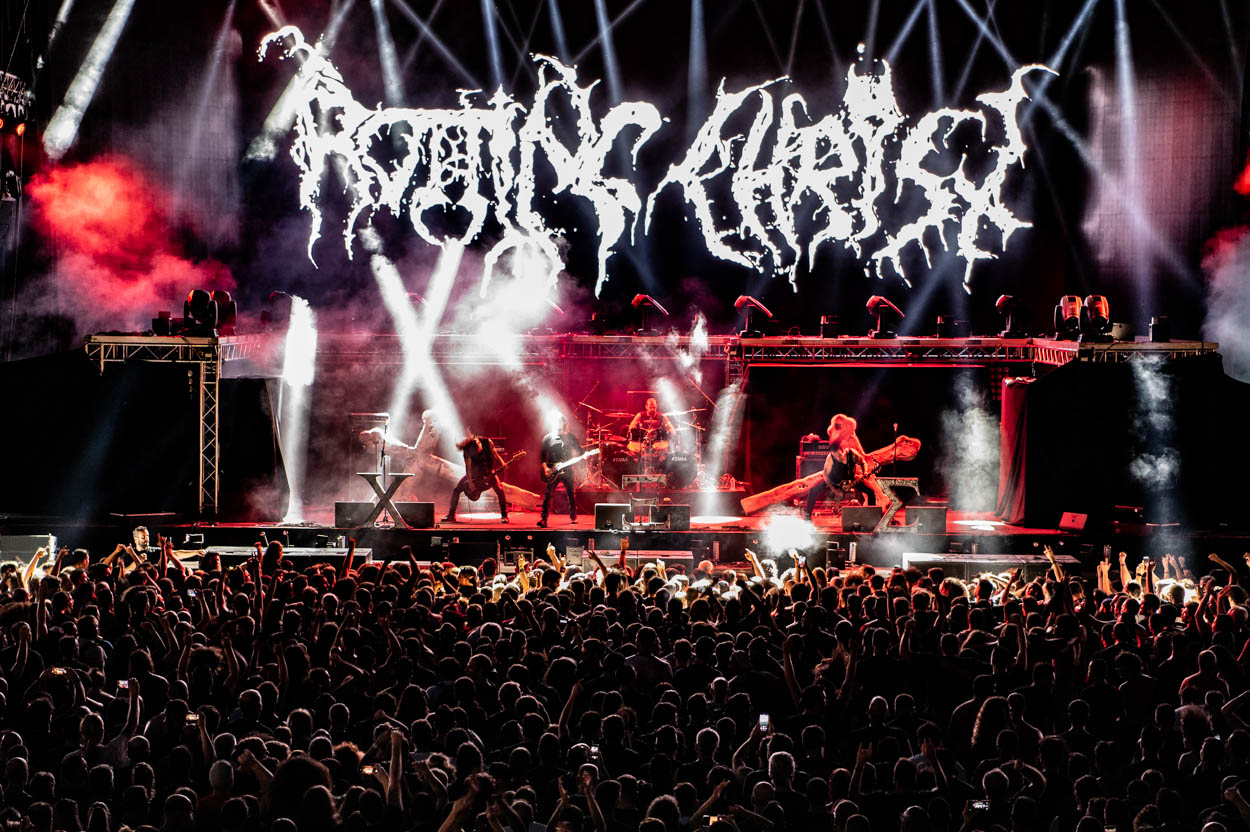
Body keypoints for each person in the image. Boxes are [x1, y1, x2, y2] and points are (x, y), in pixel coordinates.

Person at [804, 413, 888, 520]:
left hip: (850, 480)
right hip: (834, 481)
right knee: (813, 490)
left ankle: (871, 519)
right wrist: (834, 489)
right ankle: (807, 516)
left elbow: (863, 462)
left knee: (870, 492)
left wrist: (865, 472)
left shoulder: (852, 454)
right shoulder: (831, 457)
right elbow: (826, 475)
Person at [442, 430, 509, 523]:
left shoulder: (488, 442)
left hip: (489, 472)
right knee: (457, 490)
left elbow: (496, 456)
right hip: (474, 474)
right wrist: (470, 483)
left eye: (477, 451)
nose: (476, 453)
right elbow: (468, 468)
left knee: (500, 489)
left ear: (478, 444)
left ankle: (504, 515)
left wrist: (502, 464)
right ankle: (451, 515)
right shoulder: (467, 449)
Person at [538, 416, 582, 528]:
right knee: (548, 494)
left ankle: (573, 516)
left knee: (571, 493)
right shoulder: (548, 437)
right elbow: (542, 457)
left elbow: (580, 451)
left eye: (560, 422)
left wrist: (583, 455)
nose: (558, 424)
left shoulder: (570, 437)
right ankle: (544, 518)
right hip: (553, 470)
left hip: (567, 470)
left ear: (564, 424)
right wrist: (546, 469)